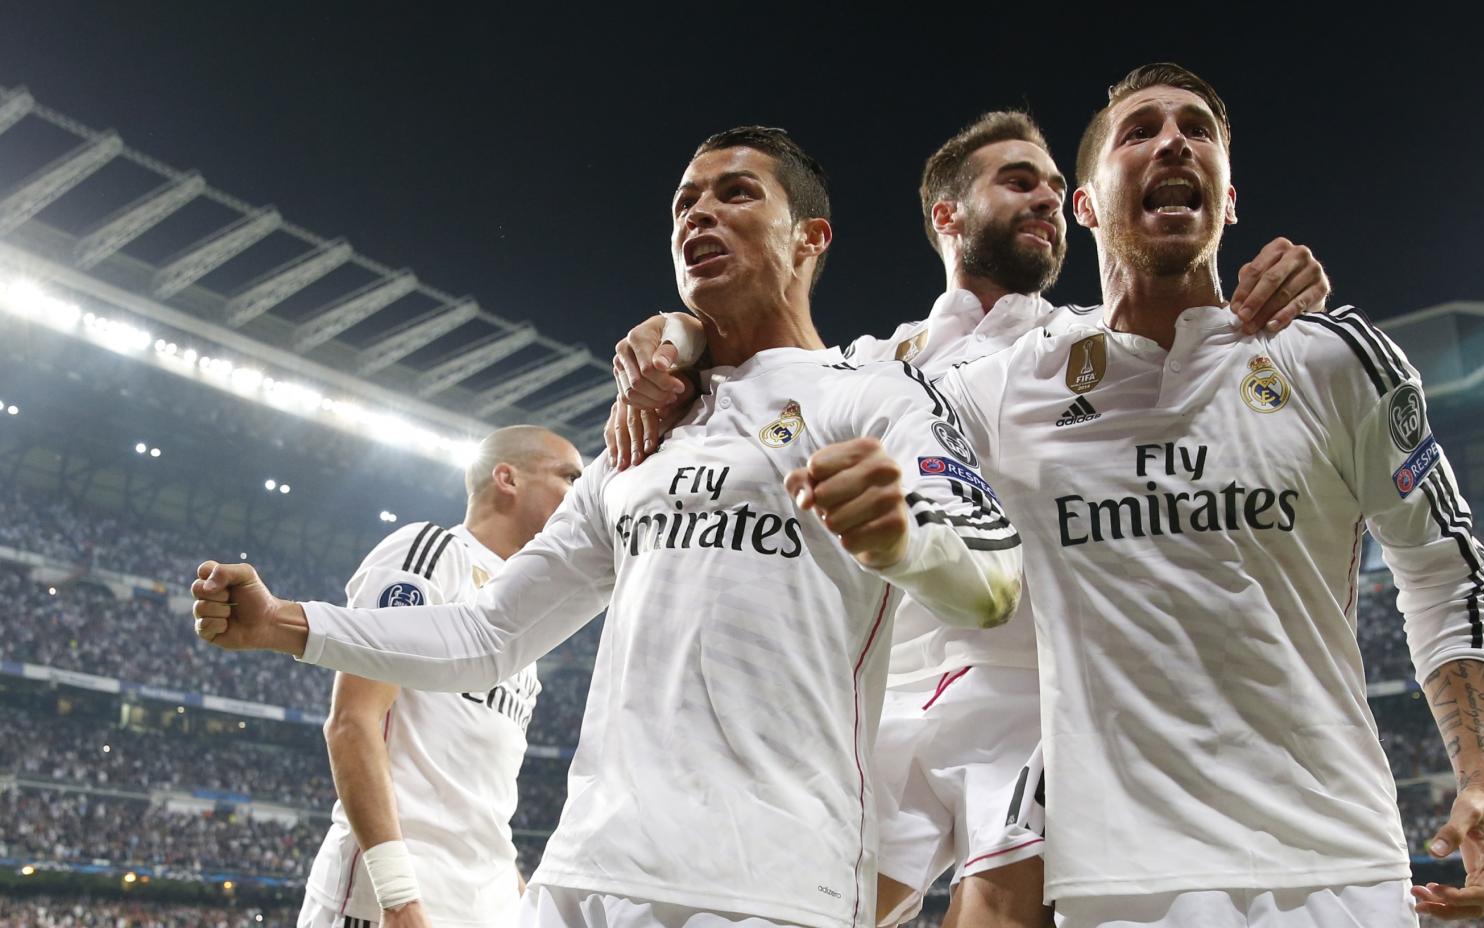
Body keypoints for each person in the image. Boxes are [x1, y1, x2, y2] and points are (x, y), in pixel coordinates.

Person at [191, 126, 1024, 928]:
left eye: (737, 194)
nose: (698, 215)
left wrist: (905, 546)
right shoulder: (638, 441)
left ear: (809, 238)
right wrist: (283, 624)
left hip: (771, 883)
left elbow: (993, 581)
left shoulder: (875, 397)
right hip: (581, 877)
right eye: (683, 204)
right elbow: (490, 630)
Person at [605, 112, 1330, 928]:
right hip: (889, 697)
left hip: (1031, 691)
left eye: (1058, 187)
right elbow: (769, 365)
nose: (1048, 198)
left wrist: (1288, 275)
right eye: (1019, 181)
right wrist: (677, 334)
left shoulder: (1090, 343)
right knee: (814, 907)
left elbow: (1192, 325)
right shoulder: (877, 363)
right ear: (947, 216)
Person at [927, 63, 1484, 925]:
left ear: (1228, 200)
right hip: (1119, 882)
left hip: (1338, 865)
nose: (1173, 139)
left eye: (1197, 129)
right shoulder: (1009, 386)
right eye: (1140, 131)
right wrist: (680, 345)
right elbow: (850, 406)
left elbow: (1445, 570)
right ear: (1082, 205)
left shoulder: (1334, 359)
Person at [297, 425, 579, 928]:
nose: (580, 494)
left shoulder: (524, 616)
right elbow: (353, 720)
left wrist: (515, 899)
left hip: (483, 903)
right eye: (568, 477)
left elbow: (482, 797)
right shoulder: (433, 553)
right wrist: (398, 895)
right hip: (398, 899)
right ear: (507, 478)